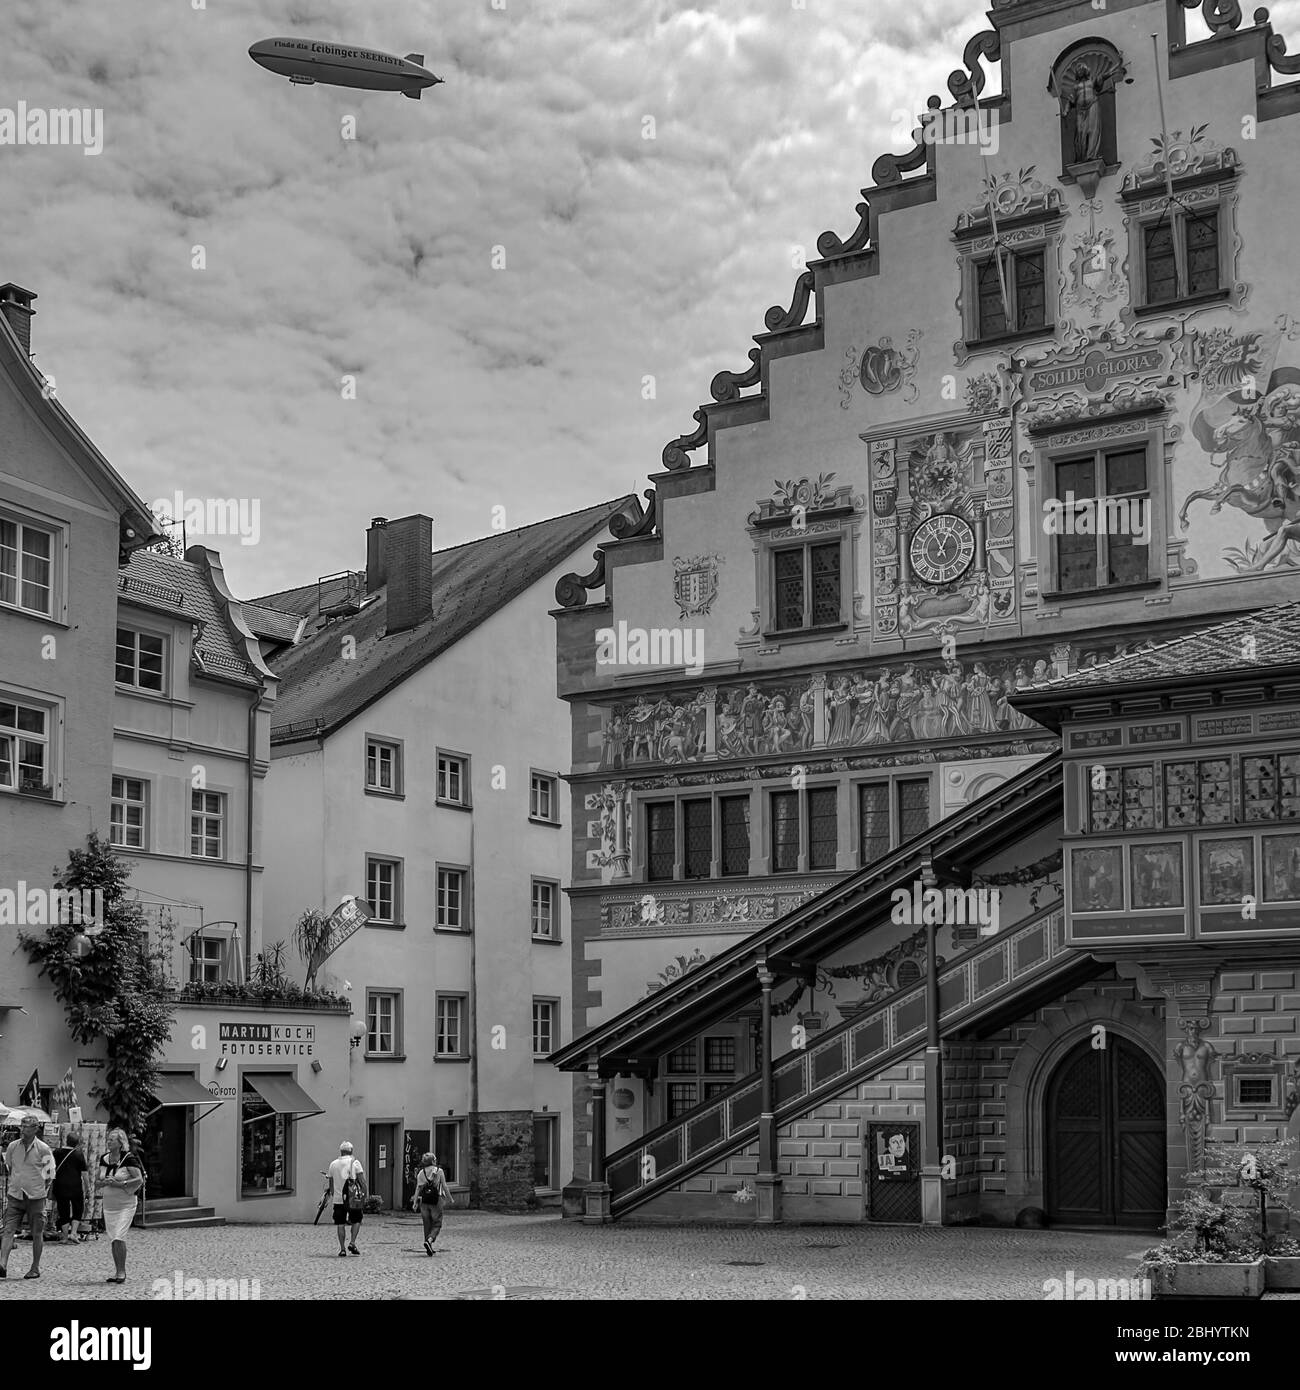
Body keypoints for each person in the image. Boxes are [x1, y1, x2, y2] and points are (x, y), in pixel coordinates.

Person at [0, 1114, 56, 1278]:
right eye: (22, 1126)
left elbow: (50, 1174)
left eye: (27, 1127)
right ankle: (2, 1263)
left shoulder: (44, 1149)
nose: (23, 1129)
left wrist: (42, 1190)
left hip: (35, 1197)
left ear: (35, 1129)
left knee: (37, 1233)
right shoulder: (12, 1146)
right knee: (8, 1230)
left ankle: (35, 1267)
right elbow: (10, 1166)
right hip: (15, 1195)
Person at [98, 1128, 144, 1283]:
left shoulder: (128, 1159)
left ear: (120, 1142)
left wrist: (120, 1183)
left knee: (119, 1236)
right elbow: (98, 1180)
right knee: (113, 1239)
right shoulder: (104, 1158)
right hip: (109, 1205)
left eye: (112, 1139)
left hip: (126, 1204)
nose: (109, 1141)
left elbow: (139, 1180)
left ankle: (122, 1272)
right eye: (108, 1139)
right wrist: (102, 1182)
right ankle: (117, 1271)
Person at [326, 1141, 365, 1256]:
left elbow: (331, 1184)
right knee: (357, 1220)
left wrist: (335, 1194)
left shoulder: (333, 1164)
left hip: (338, 1199)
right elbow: (362, 1181)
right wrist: (364, 1194)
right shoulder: (355, 1163)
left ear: (341, 1151)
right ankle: (352, 1242)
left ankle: (342, 1249)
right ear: (351, 1151)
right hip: (353, 1199)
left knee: (340, 1223)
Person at [411, 1151, 454, 1255]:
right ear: (433, 1161)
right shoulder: (439, 1171)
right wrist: (450, 1198)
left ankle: (428, 1245)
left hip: (424, 1201)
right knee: (437, 1223)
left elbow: (418, 1188)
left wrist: (415, 1202)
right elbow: (444, 1186)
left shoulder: (421, 1173)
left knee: (427, 1223)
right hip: (436, 1200)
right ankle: (429, 1240)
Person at [51, 1133, 89, 1243]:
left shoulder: (56, 1152)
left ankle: (64, 1236)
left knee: (63, 1210)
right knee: (78, 1208)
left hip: (60, 1185)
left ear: (66, 1140)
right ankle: (74, 1233)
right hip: (75, 1186)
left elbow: (51, 1169)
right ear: (77, 1143)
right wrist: (87, 1188)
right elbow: (84, 1174)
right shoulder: (78, 1154)